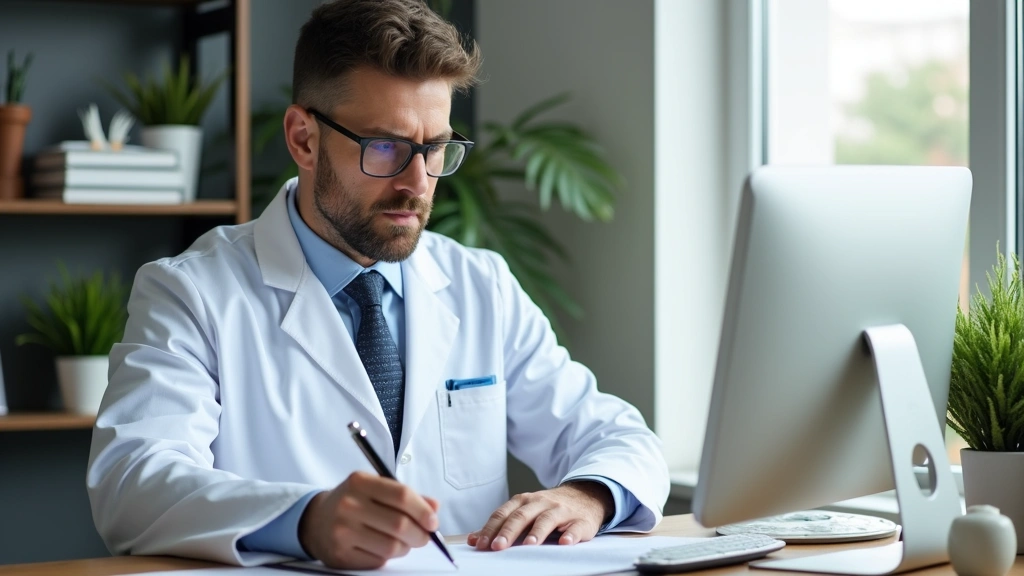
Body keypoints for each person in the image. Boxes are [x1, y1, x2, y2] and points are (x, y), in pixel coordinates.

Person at [86, 0, 670, 569]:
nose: (417, 183)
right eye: (385, 146)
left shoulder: (479, 282)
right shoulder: (191, 292)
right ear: (303, 139)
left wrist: (588, 494)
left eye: (435, 147)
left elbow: (613, 432)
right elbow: (132, 480)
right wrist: (306, 521)